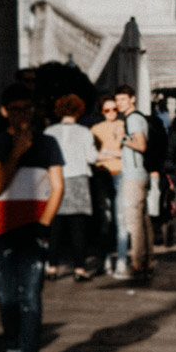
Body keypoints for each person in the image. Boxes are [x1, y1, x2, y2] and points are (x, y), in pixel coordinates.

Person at [0, 83, 64, 352]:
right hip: (1, 230)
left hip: (35, 228)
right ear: (5, 112)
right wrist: (16, 151)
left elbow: (58, 186)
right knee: (7, 297)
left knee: (30, 296)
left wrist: (44, 224)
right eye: (15, 110)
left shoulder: (49, 144)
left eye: (27, 109)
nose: (22, 116)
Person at [44, 94, 98, 282]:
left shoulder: (49, 132)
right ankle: (80, 268)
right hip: (78, 180)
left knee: (55, 228)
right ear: (79, 111)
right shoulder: (85, 132)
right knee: (78, 228)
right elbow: (92, 158)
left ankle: (51, 267)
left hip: (54, 180)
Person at [114, 86, 152, 282]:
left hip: (133, 175)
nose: (120, 103)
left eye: (123, 99)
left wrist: (123, 139)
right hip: (139, 174)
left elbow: (141, 145)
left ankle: (137, 263)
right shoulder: (134, 118)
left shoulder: (133, 119)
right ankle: (147, 260)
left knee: (133, 220)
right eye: (118, 100)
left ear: (132, 99)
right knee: (143, 219)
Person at [92, 99, 126, 273]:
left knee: (121, 218)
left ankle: (121, 259)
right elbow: (92, 155)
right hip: (102, 175)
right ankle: (105, 259)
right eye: (107, 110)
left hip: (120, 174)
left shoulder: (123, 125)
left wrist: (106, 153)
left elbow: (127, 151)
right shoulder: (95, 129)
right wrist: (115, 154)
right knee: (105, 219)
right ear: (102, 111)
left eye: (114, 109)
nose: (111, 112)